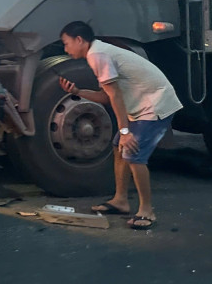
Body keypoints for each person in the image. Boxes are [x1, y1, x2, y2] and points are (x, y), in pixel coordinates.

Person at [58, 21, 183, 230]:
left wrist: (125, 131)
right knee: (119, 148)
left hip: (155, 105)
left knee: (134, 154)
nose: (65, 48)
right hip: (142, 105)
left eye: (66, 43)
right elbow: (105, 97)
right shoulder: (97, 53)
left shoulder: (98, 55)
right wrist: (78, 91)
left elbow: (115, 96)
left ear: (79, 40)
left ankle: (146, 210)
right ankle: (121, 200)